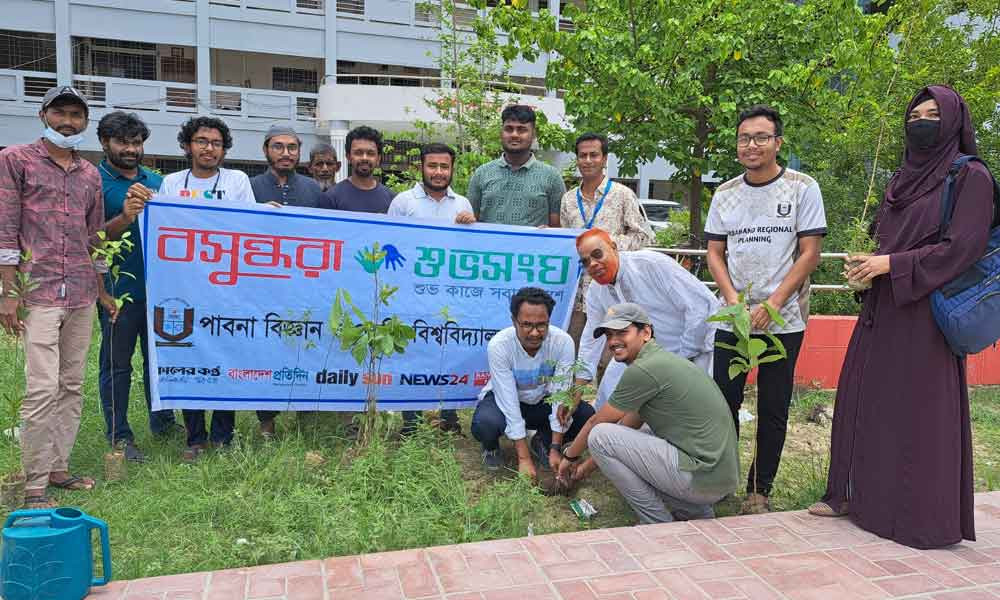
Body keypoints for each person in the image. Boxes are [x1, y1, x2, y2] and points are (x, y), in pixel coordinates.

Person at [810, 85, 993, 549]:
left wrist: (892, 265)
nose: (922, 120)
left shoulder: (970, 176)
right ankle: (856, 497)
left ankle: (916, 515)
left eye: (934, 113)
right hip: (882, 308)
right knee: (865, 399)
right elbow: (886, 240)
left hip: (926, 314)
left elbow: (963, 246)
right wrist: (867, 267)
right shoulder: (899, 179)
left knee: (916, 411)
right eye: (916, 113)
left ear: (953, 121)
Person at [704, 104, 826, 514]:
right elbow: (715, 252)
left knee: (773, 405)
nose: (751, 145)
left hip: (784, 321)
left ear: (778, 143)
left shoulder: (802, 187)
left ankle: (760, 489)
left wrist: (773, 304)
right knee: (723, 402)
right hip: (734, 320)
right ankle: (721, 481)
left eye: (760, 137)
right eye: (744, 138)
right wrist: (734, 300)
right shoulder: (725, 193)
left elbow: (809, 254)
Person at [0, 86, 106, 508]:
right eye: (60, 113)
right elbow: (6, 227)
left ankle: (59, 467)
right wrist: (8, 294)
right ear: (44, 115)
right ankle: (34, 484)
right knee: (41, 387)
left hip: (80, 291)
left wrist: (102, 292)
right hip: (38, 290)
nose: (68, 122)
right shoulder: (15, 160)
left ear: (85, 121)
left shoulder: (89, 174)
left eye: (76, 115)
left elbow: (95, 237)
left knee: (71, 384)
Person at [555, 303, 739, 524]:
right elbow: (627, 426)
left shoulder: (643, 370)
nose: (613, 341)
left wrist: (569, 457)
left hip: (701, 475)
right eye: (609, 335)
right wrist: (586, 468)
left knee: (600, 435)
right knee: (637, 430)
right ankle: (694, 511)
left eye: (622, 332)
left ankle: (656, 521)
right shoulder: (660, 362)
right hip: (717, 478)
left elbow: (596, 422)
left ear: (646, 332)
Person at [158, 116, 257, 461]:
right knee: (189, 359)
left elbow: (249, 228)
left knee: (227, 359)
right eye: (201, 141)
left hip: (228, 288)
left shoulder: (237, 180)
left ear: (224, 149)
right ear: (188, 145)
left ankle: (223, 436)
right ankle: (195, 438)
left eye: (216, 143)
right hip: (184, 286)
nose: (209, 148)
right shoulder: (170, 183)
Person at [96, 111, 180, 462]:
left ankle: (163, 422)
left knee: (159, 361)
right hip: (119, 290)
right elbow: (91, 240)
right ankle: (120, 434)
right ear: (104, 142)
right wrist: (126, 216)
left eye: (136, 142)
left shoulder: (159, 181)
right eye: (123, 142)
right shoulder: (94, 181)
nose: (131, 149)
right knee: (117, 364)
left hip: (162, 288)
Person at [575, 228, 719, 411]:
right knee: (607, 403)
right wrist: (576, 392)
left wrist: (681, 362)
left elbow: (699, 308)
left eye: (597, 255)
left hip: (693, 350)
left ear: (613, 247)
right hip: (641, 356)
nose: (593, 264)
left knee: (688, 413)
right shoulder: (596, 291)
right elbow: (590, 340)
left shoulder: (650, 264)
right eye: (586, 262)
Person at [389, 142, 475, 436]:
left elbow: (472, 250)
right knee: (410, 355)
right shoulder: (403, 202)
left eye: (444, 167)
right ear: (421, 168)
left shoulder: (462, 203)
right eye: (432, 166)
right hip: (412, 295)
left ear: (452, 169)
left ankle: (449, 417)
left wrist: (471, 226)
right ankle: (410, 422)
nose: (438, 172)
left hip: (451, 296)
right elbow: (391, 244)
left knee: (450, 353)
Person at [470, 288, 595, 479]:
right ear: (514, 321)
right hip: (507, 401)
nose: (535, 333)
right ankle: (491, 446)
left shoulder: (563, 342)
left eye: (541, 325)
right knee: (485, 423)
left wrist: (555, 447)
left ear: (549, 321)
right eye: (527, 325)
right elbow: (508, 401)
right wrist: (523, 458)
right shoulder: (499, 345)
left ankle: (543, 442)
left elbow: (560, 396)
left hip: (542, 402)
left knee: (585, 415)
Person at [561, 133, 652, 347]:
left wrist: (608, 245)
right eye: (583, 155)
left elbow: (644, 237)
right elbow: (565, 242)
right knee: (576, 352)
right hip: (577, 295)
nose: (588, 160)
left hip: (614, 292)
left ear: (604, 159)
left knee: (613, 356)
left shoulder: (622, 195)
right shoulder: (568, 199)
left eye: (594, 155)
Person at [467, 105, 565, 227]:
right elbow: (471, 219)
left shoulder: (551, 176)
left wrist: (548, 232)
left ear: (533, 134)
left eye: (522, 129)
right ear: (501, 132)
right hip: (488, 245)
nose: (514, 135)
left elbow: (557, 227)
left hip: (533, 246)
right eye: (509, 129)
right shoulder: (481, 173)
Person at [320, 126, 393, 213]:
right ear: (348, 157)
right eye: (358, 153)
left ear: (378, 159)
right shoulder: (331, 198)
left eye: (370, 153)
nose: (364, 158)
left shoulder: (391, 199)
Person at [250, 124, 324, 208]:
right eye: (278, 147)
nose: (286, 154)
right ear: (265, 150)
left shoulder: (312, 187)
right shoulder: (251, 186)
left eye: (292, 148)